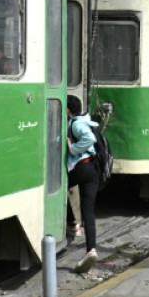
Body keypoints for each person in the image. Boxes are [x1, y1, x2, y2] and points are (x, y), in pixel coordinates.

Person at [65, 95, 99, 273]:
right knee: (88, 211)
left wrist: (72, 149)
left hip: (81, 167)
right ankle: (91, 250)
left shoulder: (76, 123)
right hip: (93, 170)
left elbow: (89, 139)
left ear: (69, 110)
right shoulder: (87, 119)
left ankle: (72, 224)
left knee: (58, 190)